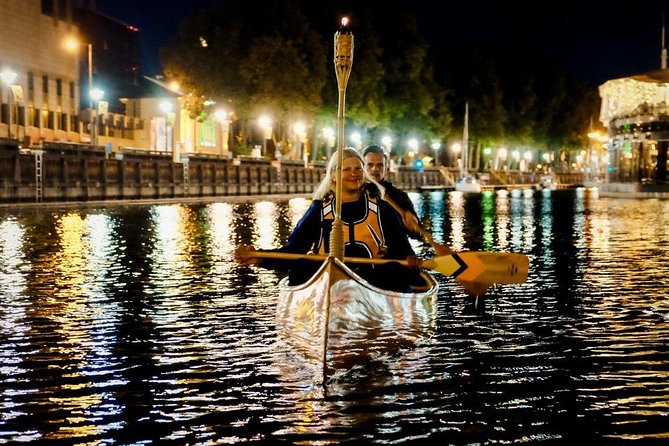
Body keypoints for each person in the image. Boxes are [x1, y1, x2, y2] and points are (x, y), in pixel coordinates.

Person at [234, 147, 420, 292]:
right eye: (345, 169)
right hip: (328, 281)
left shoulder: (381, 207)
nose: (353, 173)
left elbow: (402, 248)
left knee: (395, 270)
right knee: (301, 267)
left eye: (357, 168)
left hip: (371, 278)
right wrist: (258, 257)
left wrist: (410, 261)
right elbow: (293, 250)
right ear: (333, 176)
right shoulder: (319, 209)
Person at [362, 144, 452, 255]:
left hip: (397, 257)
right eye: (370, 165)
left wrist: (411, 226)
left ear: (386, 167)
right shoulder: (355, 194)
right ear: (363, 166)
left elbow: (416, 234)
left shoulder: (399, 196)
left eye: (380, 165)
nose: (375, 169)